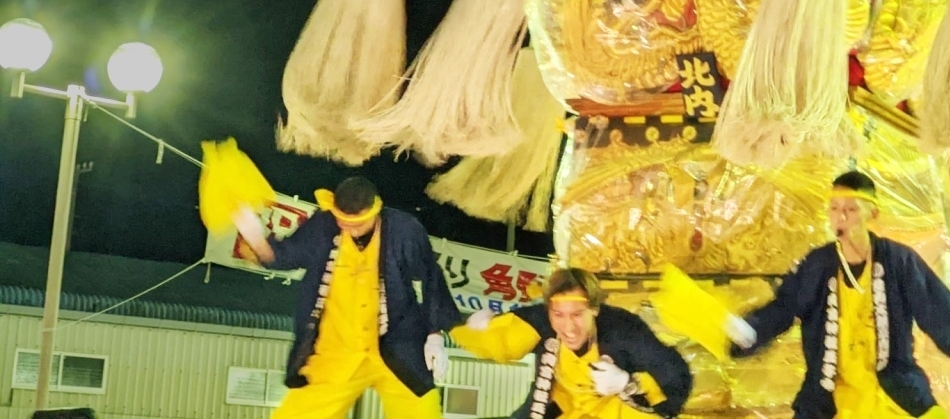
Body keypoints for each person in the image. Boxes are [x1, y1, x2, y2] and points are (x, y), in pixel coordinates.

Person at [726, 171, 950, 419]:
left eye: (850, 209)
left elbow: (933, 302)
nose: (841, 217)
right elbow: (785, 306)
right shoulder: (817, 264)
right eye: (835, 209)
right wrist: (752, 329)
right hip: (831, 398)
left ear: (872, 213)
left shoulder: (898, 260)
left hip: (895, 392)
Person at [233, 176, 462, 419]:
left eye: (357, 224)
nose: (350, 230)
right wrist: (252, 233)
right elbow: (283, 256)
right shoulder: (323, 226)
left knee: (421, 413)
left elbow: (431, 277)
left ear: (375, 211)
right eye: (343, 223)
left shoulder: (404, 230)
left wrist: (434, 335)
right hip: (335, 350)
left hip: (398, 344)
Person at [450, 266, 693, 419]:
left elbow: (676, 376)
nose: (568, 327)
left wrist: (628, 383)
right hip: (562, 409)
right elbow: (504, 340)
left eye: (577, 315)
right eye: (559, 315)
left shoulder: (624, 330)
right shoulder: (540, 320)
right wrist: (481, 327)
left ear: (595, 309)